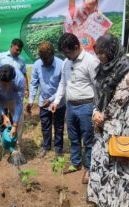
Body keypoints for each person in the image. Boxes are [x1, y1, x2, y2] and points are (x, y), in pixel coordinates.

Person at [87, 34, 129, 206]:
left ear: (112, 50)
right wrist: (96, 111)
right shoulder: (102, 68)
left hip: (122, 120)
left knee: (119, 157)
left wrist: (103, 115)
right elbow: (97, 92)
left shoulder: (128, 66)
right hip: (102, 121)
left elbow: (121, 97)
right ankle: (102, 196)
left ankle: (119, 200)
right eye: (98, 52)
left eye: (103, 52)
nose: (100, 56)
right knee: (102, 158)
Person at [51, 33, 99, 184]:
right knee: (73, 137)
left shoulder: (91, 61)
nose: (66, 55)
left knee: (89, 140)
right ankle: (76, 162)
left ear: (77, 47)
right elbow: (63, 84)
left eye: (68, 52)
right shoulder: (66, 62)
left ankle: (89, 168)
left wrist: (97, 109)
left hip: (87, 105)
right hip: (70, 106)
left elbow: (98, 87)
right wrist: (56, 100)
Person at [26, 41, 66, 158]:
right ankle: (46, 146)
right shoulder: (37, 64)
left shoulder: (61, 64)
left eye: (46, 59)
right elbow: (34, 83)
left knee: (59, 126)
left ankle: (58, 149)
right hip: (43, 102)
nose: (44, 61)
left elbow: (63, 85)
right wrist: (31, 100)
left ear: (52, 55)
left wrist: (52, 99)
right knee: (45, 125)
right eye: (42, 59)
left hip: (58, 102)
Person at [0, 64, 25, 173]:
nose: (6, 87)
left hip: (13, 100)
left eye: (8, 85)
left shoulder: (19, 79)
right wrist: (3, 115)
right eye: (3, 85)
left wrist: (14, 125)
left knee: (20, 122)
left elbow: (19, 103)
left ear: (13, 79)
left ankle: (16, 150)